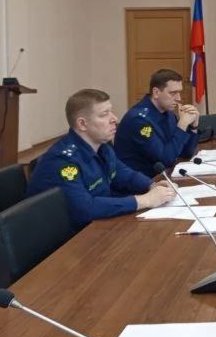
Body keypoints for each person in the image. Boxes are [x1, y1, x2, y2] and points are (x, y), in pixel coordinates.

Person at [28, 88, 176, 230]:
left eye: (111, 111)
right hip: (68, 238)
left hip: (95, 225)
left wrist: (151, 185)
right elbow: (85, 209)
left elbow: (122, 174)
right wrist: (146, 200)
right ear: (82, 124)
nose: (114, 119)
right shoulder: (63, 162)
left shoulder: (102, 145)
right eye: (104, 114)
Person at [115, 69, 201, 177]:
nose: (178, 98)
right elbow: (165, 160)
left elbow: (185, 153)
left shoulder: (168, 113)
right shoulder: (138, 120)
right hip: (139, 181)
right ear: (156, 93)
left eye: (179, 92)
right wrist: (182, 125)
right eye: (173, 93)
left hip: (161, 177)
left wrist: (193, 126)